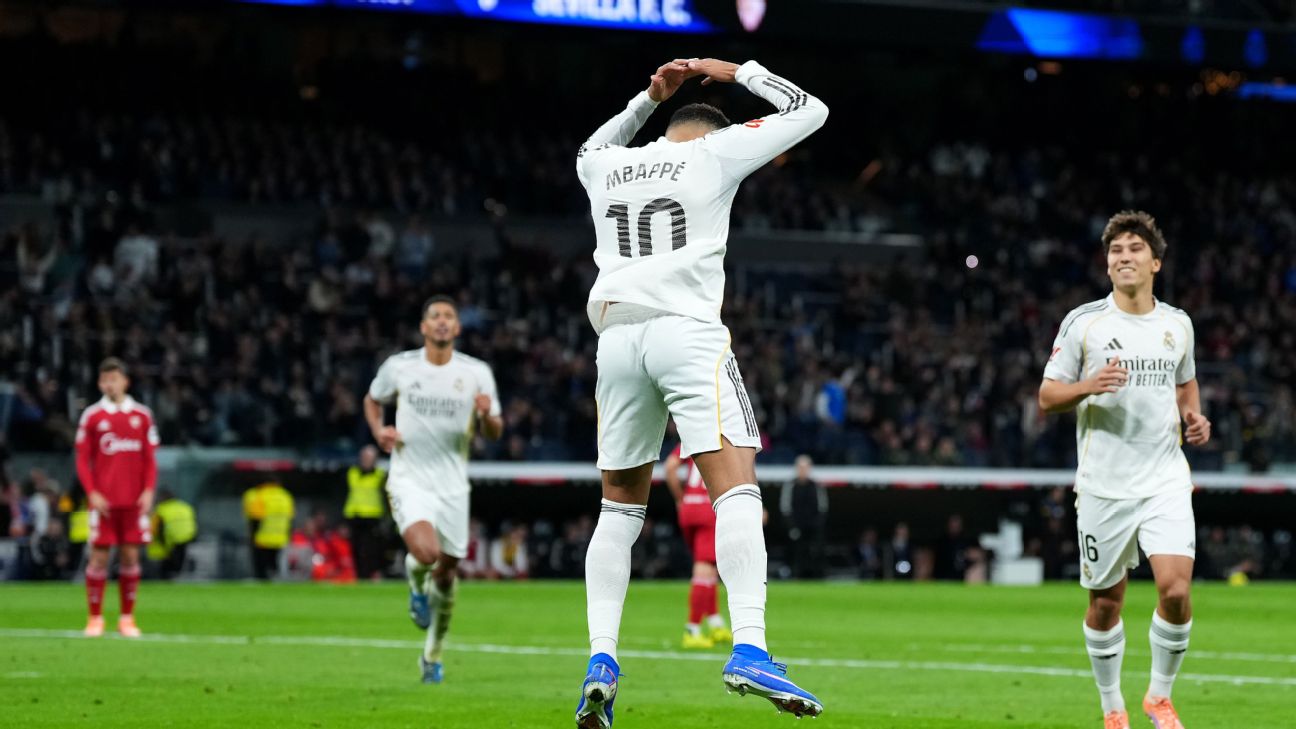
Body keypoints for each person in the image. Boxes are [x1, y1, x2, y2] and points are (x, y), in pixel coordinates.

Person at [573, 57, 828, 726]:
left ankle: (601, 660)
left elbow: (587, 149)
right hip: (685, 332)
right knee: (738, 491)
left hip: (616, 338)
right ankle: (751, 647)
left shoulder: (609, 164)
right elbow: (810, 109)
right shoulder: (714, 154)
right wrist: (736, 69)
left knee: (618, 510)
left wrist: (647, 98)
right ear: (713, 130)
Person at [1039, 211, 1210, 729]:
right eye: (1116, 250)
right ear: (1107, 263)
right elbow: (1047, 395)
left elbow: (1185, 383)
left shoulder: (1177, 324)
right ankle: (1113, 707)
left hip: (1165, 479)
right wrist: (1087, 386)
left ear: (1155, 262)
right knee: (1105, 605)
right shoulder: (1084, 323)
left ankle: (1159, 698)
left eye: (1135, 249)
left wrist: (1193, 416)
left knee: (1175, 591)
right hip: (1104, 487)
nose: (1124, 257)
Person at [364, 295, 503, 685]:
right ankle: (415, 586)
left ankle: (432, 654)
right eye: (435, 316)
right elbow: (372, 400)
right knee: (427, 552)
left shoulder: (476, 372)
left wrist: (485, 414)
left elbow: (495, 431)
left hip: (453, 486)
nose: (442, 321)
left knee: (447, 574)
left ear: (457, 328)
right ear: (423, 327)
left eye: (449, 316)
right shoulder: (400, 367)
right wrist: (379, 431)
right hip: (410, 478)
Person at [74, 358, 159, 637]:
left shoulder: (142, 415)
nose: (109, 384)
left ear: (125, 382)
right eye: (105, 380)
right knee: (99, 558)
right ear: (100, 384)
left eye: (114, 379)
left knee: (130, 557)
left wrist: (148, 490)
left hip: (134, 502)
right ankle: (95, 618)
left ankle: (127, 619)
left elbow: (150, 459)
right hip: (104, 503)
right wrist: (92, 492)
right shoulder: (92, 416)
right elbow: (82, 459)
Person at [663, 442, 731, 649]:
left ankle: (716, 623)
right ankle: (692, 629)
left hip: (689, 508)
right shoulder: (725, 439)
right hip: (709, 508)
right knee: (704, 568)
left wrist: (680, 499)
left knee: (709, 567)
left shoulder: (691, 436)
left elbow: (670, 466)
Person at [778, 455, 828, 579]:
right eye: (800, 467)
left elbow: (823, 509)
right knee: (795, 552)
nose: (803, 470)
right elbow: (785, 508)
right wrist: (792, 527)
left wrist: (817, 527)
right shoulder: (790, 485)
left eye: (805, 467)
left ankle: (817, 577)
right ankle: (795, 575)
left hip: (813, 529)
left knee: (816, 551)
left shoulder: (817, 486)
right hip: (796, 528)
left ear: (810, 468)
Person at [344, 445, 388, 581]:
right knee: (356, 548)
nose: (366, 460)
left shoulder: (380, 475)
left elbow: (386, 496)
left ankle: (373, 573)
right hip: (355, 515)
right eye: (364, 457)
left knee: (373, 549)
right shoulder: (352, 473)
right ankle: (359, 575)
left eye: (369, 458)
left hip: (373, 516)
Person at [242, 480, 295, 580]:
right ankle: (275, 580)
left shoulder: (259, 495)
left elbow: (256, 519)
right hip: (280, 538)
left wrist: (252, 537)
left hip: (262, 538)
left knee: (261, 570)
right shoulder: (285, 496)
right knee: (274, 566)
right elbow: (290, 518)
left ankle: (263, 580)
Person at [148, 489, 196, 580]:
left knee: (163, 570)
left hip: (165, 544)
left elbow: (156, 530)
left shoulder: (160, 510)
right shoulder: (185, 507)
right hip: (185, 540)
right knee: (178, 566)